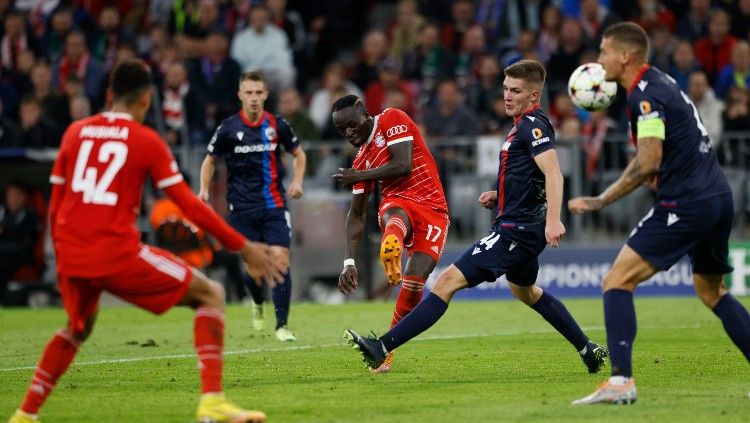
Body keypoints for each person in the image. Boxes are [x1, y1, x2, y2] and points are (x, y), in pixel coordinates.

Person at [7, 60, 286, 423]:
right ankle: (213, 402)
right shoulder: (145, 140)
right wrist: (243, 246)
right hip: (115, 252)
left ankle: (24, 415)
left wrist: (61, 260)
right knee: (211, 294)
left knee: (76, 328)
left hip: (72, 254)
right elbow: (187, 204)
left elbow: (57, 206)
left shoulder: (75, 133)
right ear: (145, 101)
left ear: (108, 95)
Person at [343, 60, 608, 377]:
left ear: (534, 94)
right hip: (519, 226)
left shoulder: (532, 126)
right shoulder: (520, 125)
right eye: (506, 89)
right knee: (526, 292)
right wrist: (500, 193)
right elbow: (530, 174)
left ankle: (382, 347)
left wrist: (555, 219)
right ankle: (587, 349)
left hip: (515, 232)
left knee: (446, 283)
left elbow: (553, 171)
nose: (508, 96)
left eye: (516, 91)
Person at [568, 22, 750, 406]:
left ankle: (620, 381)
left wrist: (601, 200)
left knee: (616, 281)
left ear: (624, 56)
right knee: (711, 290)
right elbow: (667, 149)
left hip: (688, 203)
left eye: (603, 51)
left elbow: (647, 160)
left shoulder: (644, 95)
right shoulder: (659, 82)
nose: (598, 60)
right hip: (718, 197)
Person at [331, 94, 450, 374]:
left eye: (351, 124)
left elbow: (402, 164)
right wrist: (349, 262)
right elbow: (357, 215)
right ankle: (392, 243)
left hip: (433, 208)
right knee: (393, 211)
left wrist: (359, 176)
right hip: (399, 204)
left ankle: (386, 347)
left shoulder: (391, 118)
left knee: (413, 285)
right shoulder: (360, 160)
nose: (348, 133)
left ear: (363, 111)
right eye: (340, 130)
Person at [199, 71, 306, 342]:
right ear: (240, 95)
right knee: (255, 270)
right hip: (242, 210)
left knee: (281, 261)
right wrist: (203, 189)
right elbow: (210, 160)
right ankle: (258, 303)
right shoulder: (228, 129)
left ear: (266, 95)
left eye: (259, 92)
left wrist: (297, 181)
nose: (254, 98)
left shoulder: (277, 125)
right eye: (249, 92)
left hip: (274, 205)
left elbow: (299, 154)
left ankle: (282, 326)